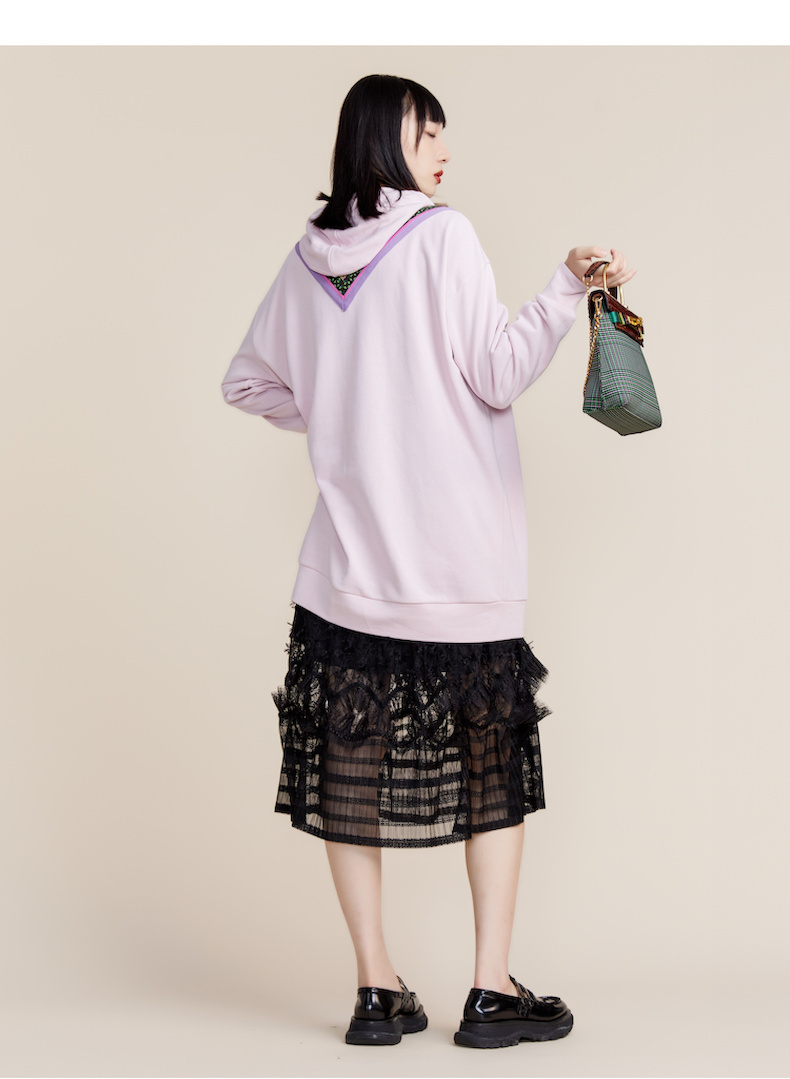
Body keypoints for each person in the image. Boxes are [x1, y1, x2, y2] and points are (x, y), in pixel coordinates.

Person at [221, 74, 635, 1050]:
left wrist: (343, 407)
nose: (444, 148)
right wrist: (565, 287)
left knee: (348, 769)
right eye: (427, 129)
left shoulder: (307, 259)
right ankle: (489, 989)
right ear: (382, 136)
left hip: (348, 573)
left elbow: (247, 382)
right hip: (458, 568)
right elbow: (496, 372)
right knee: (491, 769)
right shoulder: (441, 235)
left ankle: (376, 989)